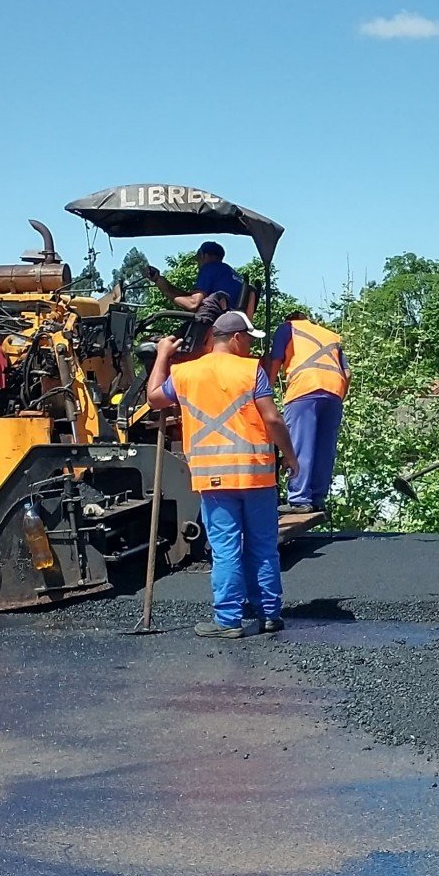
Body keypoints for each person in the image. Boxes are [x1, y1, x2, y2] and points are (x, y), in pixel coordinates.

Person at [147, 310, 300, 639]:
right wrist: (290, 457)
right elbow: (272, 419)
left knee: (226, 548)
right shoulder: (250, 371)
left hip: (213, 479)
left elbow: (154, 399)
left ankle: (229, 620)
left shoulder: (186, 373)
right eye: (247, 339)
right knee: (262, 546)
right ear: (235, 338)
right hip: (256, 474)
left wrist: (162, 355)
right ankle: (269, 614)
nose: (249, 347)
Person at [262, 314, 348, 514]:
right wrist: (337, 396)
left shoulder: (287, 328)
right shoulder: (330, 335)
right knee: (323, 447)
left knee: (300, 443)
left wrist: (266, 390)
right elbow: (348, 373)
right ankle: (317, 498)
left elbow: (275, 360)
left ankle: (300, 499)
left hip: (304, 389)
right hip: (335, 391)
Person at [141, 240, 249, 343]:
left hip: (209, 328)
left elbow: (192, 304)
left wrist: (166, 292)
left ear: (204, 255)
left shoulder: (209, 268)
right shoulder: (229, 274)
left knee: (148, 343)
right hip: (226, 327)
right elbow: (195, 299)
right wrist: (159, 280)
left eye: (198, 258)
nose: (197, 263)